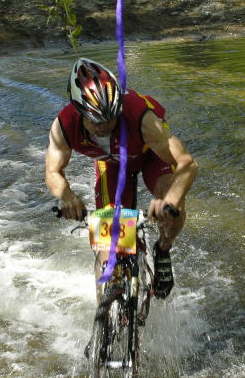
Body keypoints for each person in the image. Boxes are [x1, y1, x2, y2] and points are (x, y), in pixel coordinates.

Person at [45, 58, 197, 299]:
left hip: (151, 157)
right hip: (112, 165)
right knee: (107, 246)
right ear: (78, 111)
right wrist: (67, 197)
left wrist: (170, 199)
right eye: (97, 121)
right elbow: (53, 171)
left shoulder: (141, 116)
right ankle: (104, 316)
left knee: (171, 202)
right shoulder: (64, 125)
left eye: (110, 118)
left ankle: (163, 249)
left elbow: (187, 163)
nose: (104, 126)